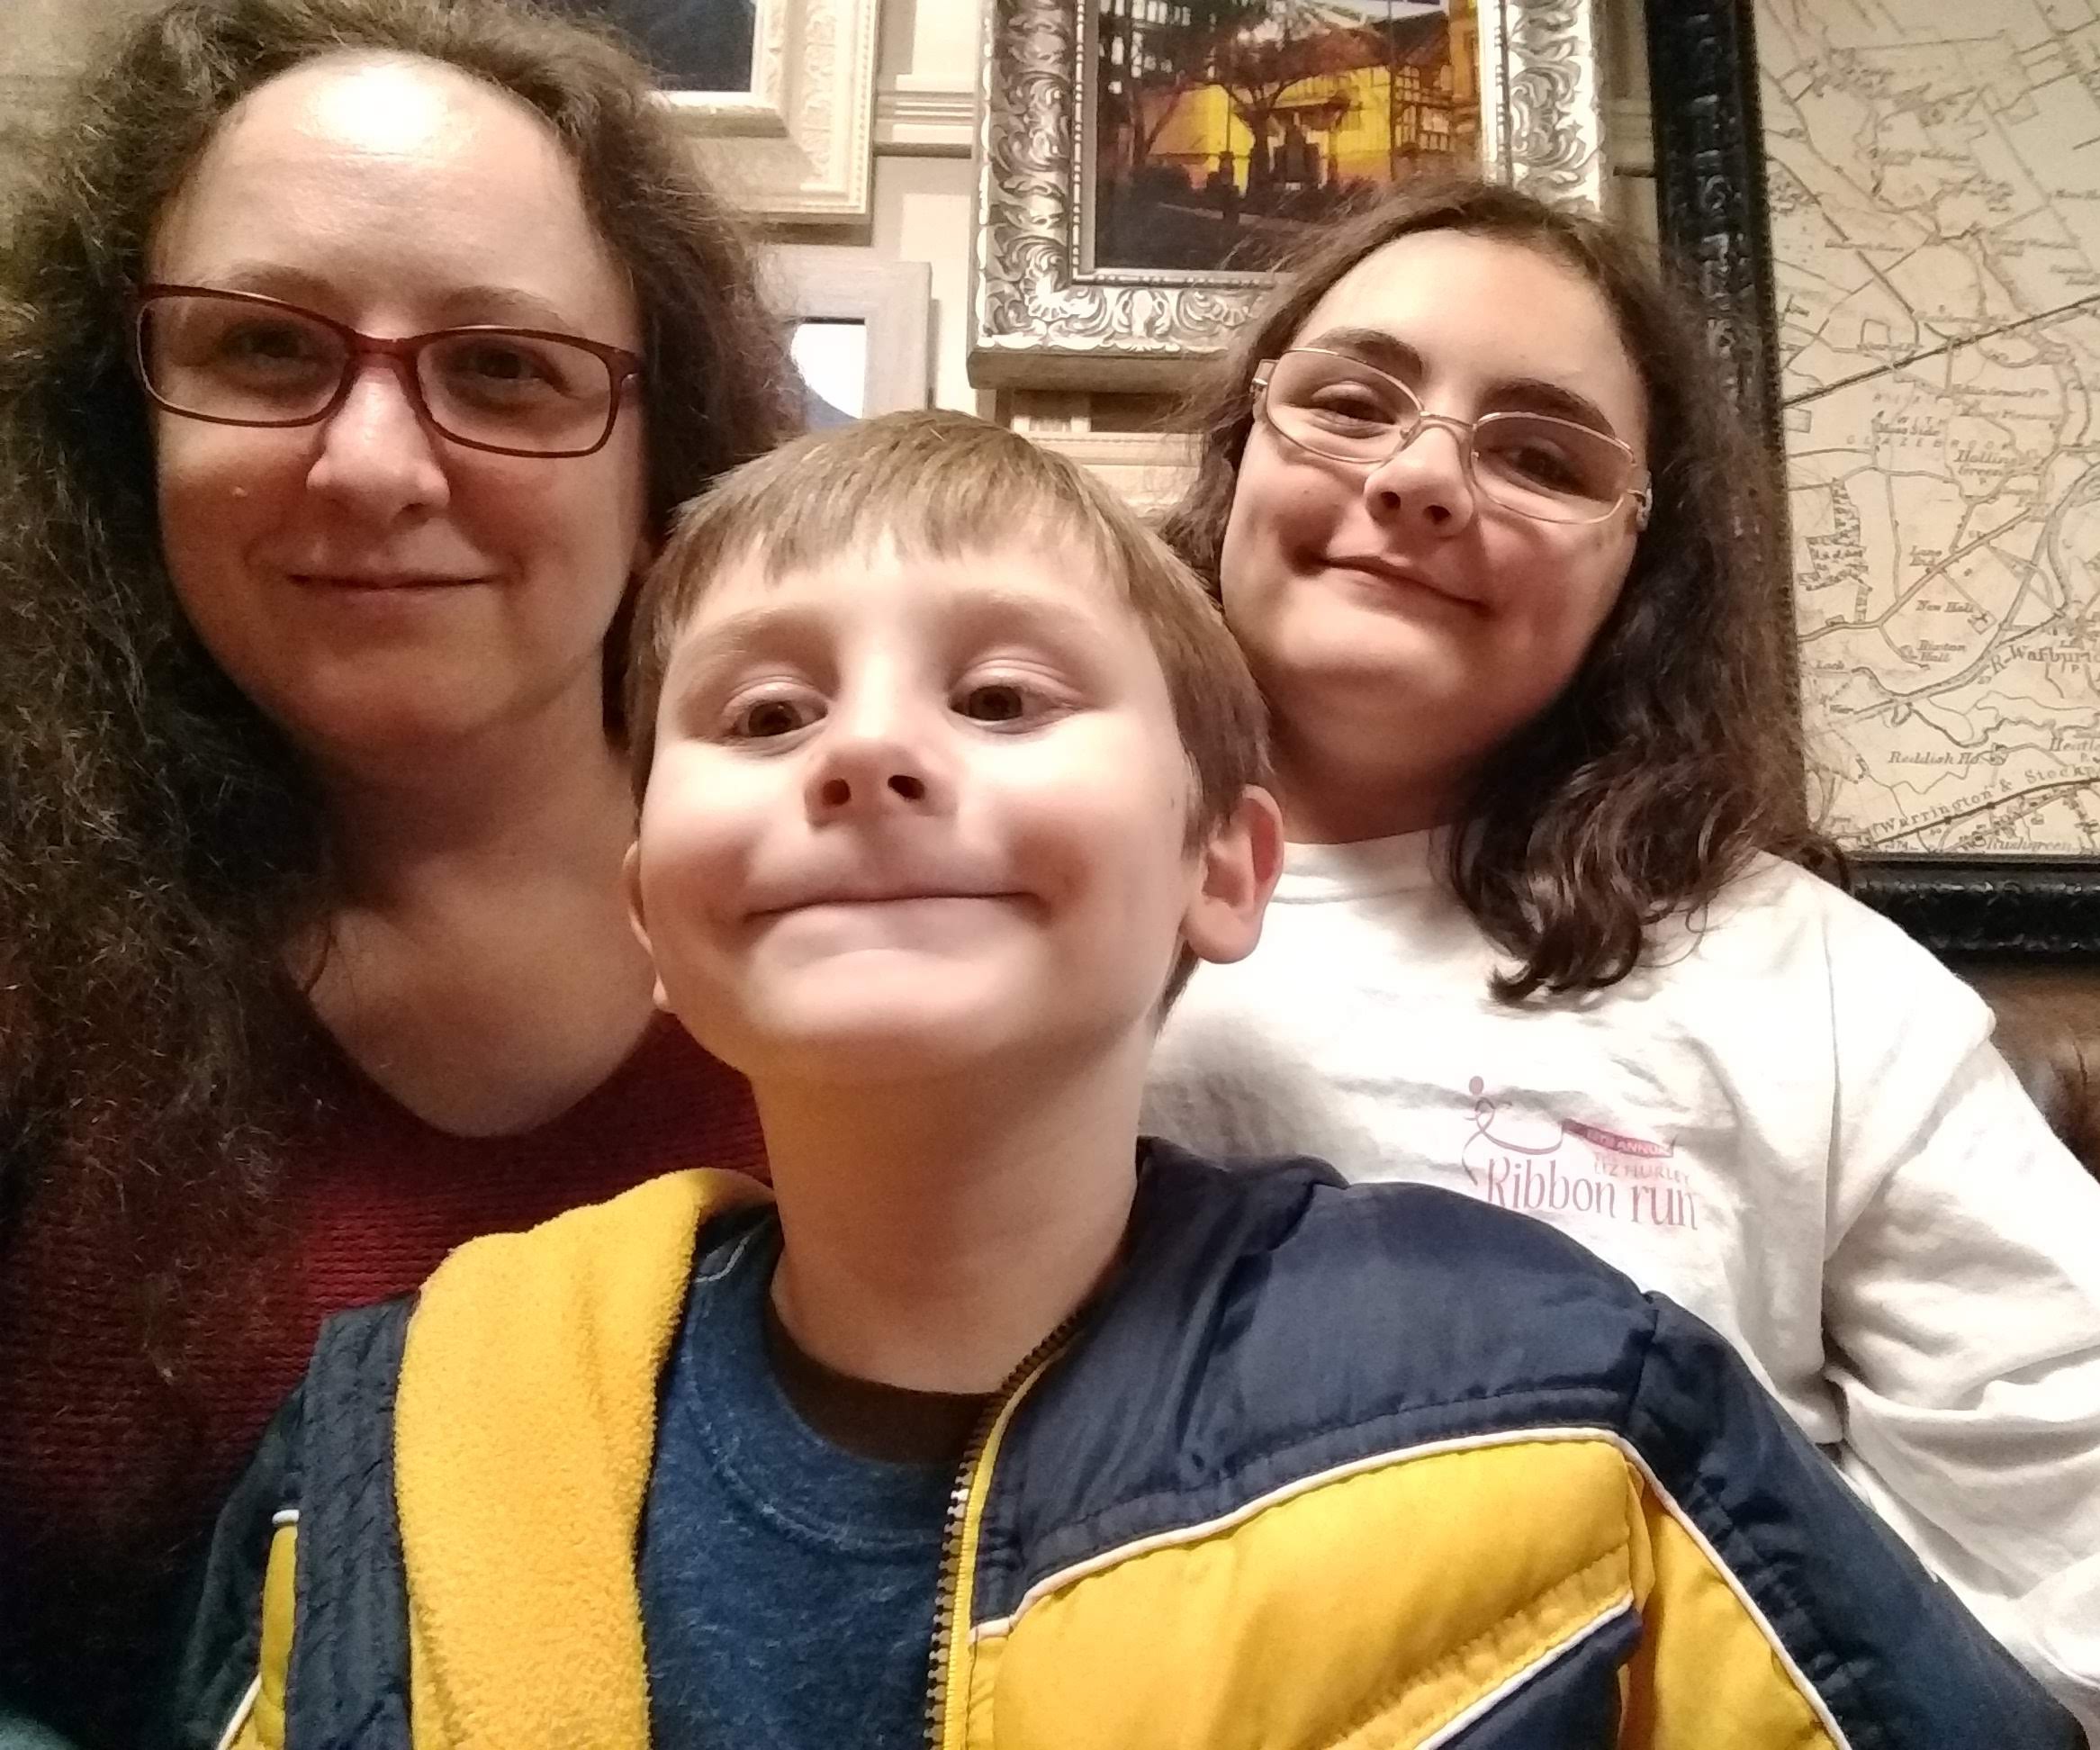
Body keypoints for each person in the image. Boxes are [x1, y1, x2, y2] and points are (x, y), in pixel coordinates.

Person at [167, 410, 2078, 1747]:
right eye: (766, 710)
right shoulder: (376, 1459)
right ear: (652, 909)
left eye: (1002, 697)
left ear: (1221, 868)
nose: (866, 755)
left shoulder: (1569, 1390)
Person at [1140, 173, 2100, 1734]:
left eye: (1538, 455)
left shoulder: (1811, 984)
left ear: (1636, 574)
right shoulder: (995, 894)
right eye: (1351, 402)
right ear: (1242, 443)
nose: (1421, 478)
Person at [0, 0, 793, 1739]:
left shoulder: (881, 920)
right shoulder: (31, 951)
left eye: (504, 367)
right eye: (263, 349)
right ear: (121, 425)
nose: (371, 465)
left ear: (662, 458)